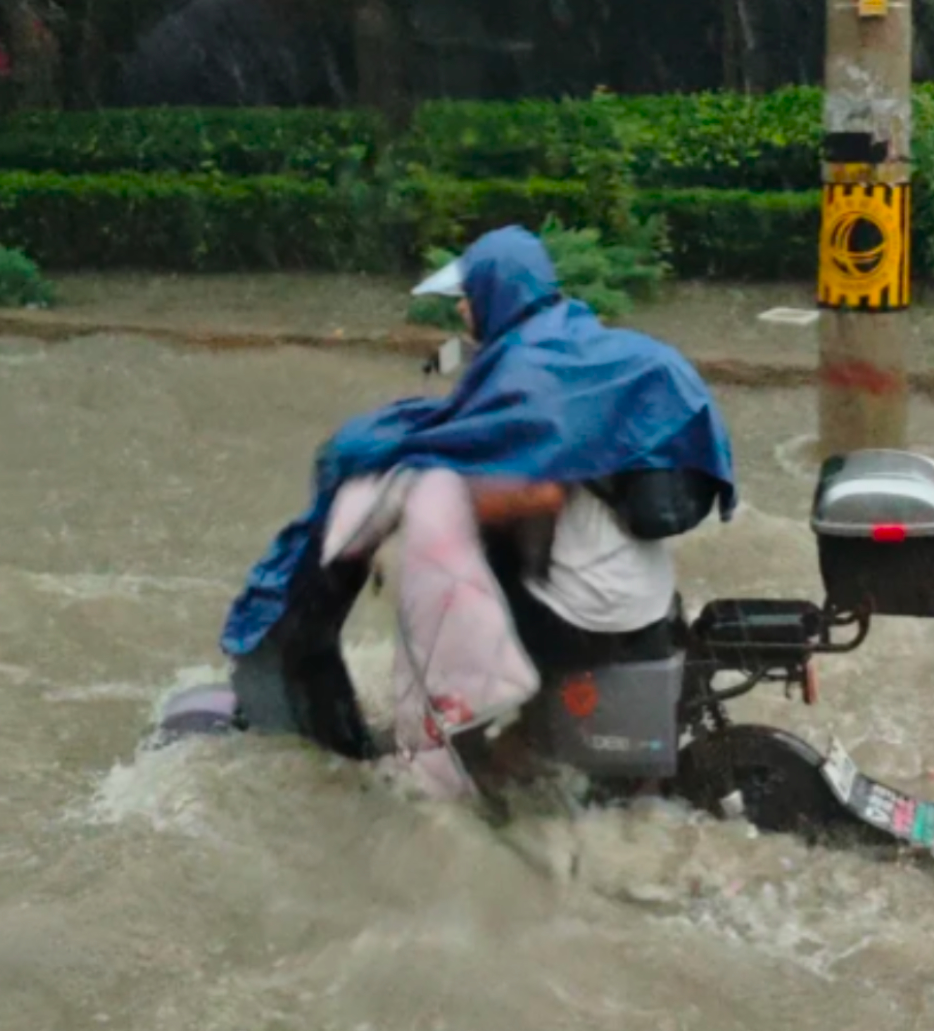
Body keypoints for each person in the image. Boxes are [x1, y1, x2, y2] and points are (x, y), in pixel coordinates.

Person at [218, 225, 739, 762]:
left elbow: (537, 493)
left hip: (587, 610)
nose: (463, 311)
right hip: (642, 594)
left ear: (497, 293)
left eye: (467, 297)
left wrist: (426, 503)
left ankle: (448, 764)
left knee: (436, 605)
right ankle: (517, 745)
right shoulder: (584, 348)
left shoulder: (527, 370)